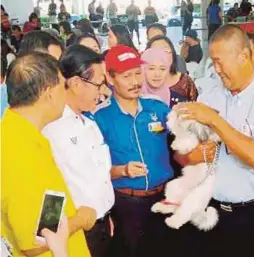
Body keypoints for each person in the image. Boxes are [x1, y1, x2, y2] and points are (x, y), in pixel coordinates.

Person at [175, 24, 254, 257]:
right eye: (213, 62)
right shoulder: (209, 95)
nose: (216, 69)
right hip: (211, 210)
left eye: (220, 62)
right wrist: (196, 150)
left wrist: (216, 123)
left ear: (245, 56)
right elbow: (187, 156)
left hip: (253, 216)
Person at [1, 52, 93, 257]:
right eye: (63, 85)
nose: (67, 93)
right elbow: (34, 241)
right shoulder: (19, 151)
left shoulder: (23, 135)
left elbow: (46, 208)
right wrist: (81, 219)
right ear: (49, 93)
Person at [94, 45, 173, 257]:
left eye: (138, 73)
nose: (135, 82)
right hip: (127, 205)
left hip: (164, 199)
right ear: (110, 79)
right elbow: (94, 171)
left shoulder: (158, 108)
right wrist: (123, 171)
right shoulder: (99, 118)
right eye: (126, 76)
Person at [42, 45, 114, 257]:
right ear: (75, 83)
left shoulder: (89, 124)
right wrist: (50, 239)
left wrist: (106, 214)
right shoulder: (51, 129)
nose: (103, 92)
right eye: (99, 84)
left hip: (102, 226)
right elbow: (48, 189)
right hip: (75, 235)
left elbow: (99, 178)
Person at [146, 35, 198, 105]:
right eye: (155, 52)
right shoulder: (142, 84)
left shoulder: (185, 80)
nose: (162, 56)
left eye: (166, 51)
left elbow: (197, 109)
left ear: (173, 54)